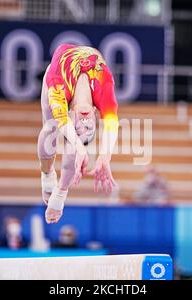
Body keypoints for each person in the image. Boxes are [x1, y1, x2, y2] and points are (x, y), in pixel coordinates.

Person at [37, 44, 119, 224]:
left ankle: (61, 192)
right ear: (96, 113)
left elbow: (112, 124)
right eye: (89, 127)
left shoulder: (61, 91)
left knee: (69, 145)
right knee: (50, 128)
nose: (84, 124)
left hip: (63, 74)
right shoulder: (103, 86)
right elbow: (112, 122)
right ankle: (47, 174)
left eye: (80, 128)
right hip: (55, 71)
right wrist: (82, 146)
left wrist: (105, 156)